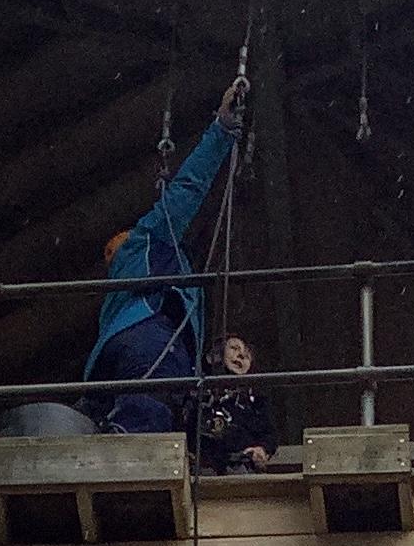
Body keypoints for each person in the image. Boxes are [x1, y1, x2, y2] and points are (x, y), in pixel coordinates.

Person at [85, 78, 248, 432]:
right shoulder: (148, 237)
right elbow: (188, 188)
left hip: (111, 359)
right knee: (149, 420)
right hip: (153, 342)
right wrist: (221, 131)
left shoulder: (118, 300)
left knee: (128, 420)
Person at [196, 334, 275, 473]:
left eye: (247, 355)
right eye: (234, 348)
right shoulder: (200, 390)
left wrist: (261, 450)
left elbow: (269, 434)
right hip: (205, 468)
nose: (241, 356)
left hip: (244, 468)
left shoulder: (256, 399)